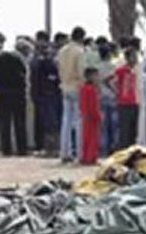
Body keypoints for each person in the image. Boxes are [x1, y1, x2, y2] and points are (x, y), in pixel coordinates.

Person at [0, 33, 29, 156]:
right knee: (20, 123)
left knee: (5, 123)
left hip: (2, 94)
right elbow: (24, 74)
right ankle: (22, 149)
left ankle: (7, 150)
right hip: (17, 94)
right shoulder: (17, 58)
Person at [58, 27, 88, 163]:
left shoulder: (62, 51)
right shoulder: (79, 51)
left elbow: (59, 69)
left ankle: (65, 152)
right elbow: (81, 72)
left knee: (66, 120)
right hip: (76, 87)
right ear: (81, 37)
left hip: (65, 86)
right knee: (79, 120)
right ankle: (80, 153)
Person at [29, 34, 62, 156]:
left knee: (51, 122)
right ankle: (49, 148)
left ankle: (53, 148)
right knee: (47, 122)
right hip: (43, 95)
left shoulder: (46, 62)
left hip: (49, 95)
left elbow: (54, 77)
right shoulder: (38, 62)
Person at [113, 47, 142, 152]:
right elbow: (110, 80)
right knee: (124, 131)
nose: (135, 59)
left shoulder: (135, 71)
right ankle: (123, 153)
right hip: (124, 104)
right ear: (128, 58)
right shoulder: (121, 70)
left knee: (133, 131)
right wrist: (117, 92)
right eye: (133, 56)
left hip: (134, 102)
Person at [79, 68, 103, 165]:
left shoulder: (84, 89)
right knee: (93, 139)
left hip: (86, 117)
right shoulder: (92, 90)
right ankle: (91, 157)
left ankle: (86, 157)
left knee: (86, 138)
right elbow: (94, 105)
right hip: (92, 117)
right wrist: (98, 116)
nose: (97, 78)